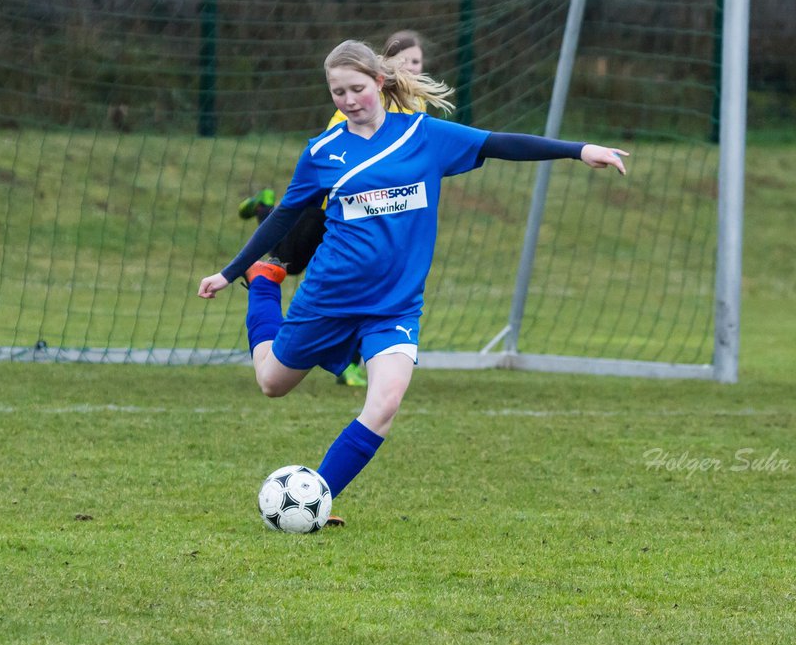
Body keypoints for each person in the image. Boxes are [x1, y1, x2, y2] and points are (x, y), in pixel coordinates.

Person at [199, 39, 627, 527]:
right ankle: (263, 283)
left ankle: (317, 499)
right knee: (271, 382)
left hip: (394, 306)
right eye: (337, 92)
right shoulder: (322, 153)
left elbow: (497, 143)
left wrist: (579, 150)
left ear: (379, 82)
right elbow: (282, 219)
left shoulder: (424, 136)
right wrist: (231, 272)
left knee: (384, 403)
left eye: (356, 88)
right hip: (329, 297)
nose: (348, 100)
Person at [235, 31, 429, 389]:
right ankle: (264, 216)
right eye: (406, 61)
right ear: (384, 67)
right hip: (327, 211)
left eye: (417, 62)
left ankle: (353, 363)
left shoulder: (416, 110)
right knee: (287, 265)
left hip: (373, 216)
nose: (412, 67)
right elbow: (329, 170)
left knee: (372, 276)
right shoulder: (355, 111)